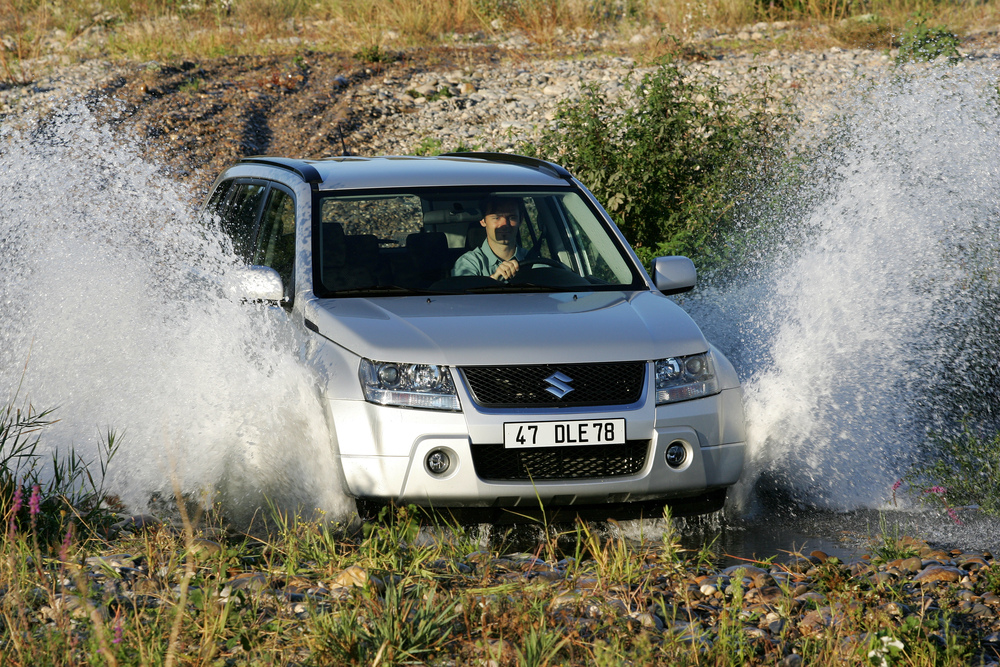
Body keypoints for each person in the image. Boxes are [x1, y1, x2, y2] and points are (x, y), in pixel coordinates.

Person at [451, 196, 527, 282]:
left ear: (520, 220)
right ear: (483, 220)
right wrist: (493, 280)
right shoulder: (468, 263)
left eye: (512, 217)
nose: (504, 224)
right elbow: (464, 294)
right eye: (496, 217)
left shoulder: (533, 261)